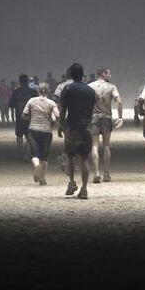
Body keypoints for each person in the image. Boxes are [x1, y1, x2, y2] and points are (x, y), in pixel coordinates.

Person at [58, 63, 96, 199]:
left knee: (69, 156)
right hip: (86, 126)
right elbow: (91, 110)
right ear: (82, 74)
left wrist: (60, 125)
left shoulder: (67, 89)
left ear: (71, 75)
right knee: (84, 159)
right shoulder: (90, 91)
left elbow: (63, 109)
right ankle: (84, 189)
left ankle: (72, 182)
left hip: (72, 126)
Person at [87, 66, 124, 183]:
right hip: (106, 118)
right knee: (107, 145)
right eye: (109, 74)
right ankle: (106, 174)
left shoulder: (89, 87)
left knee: (94, 146)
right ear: (103, 74)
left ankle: (96, 172)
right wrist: (120, 117)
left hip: (94, 118)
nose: (110, 76)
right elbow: (119, 101)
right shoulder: (111, 87)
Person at [22, 83, 59, 185]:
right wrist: (53, 122)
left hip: (33, 129)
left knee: (35, 153)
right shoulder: (51, 103)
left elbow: (24, 115)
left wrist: (30, 118)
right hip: (46, 131)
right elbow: (57, 115)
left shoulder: (31, 101)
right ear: (48, 91)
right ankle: (42, 178)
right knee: (45, 156)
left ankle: (36, 165)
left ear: (38, 90)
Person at [9, 74, 38, 161]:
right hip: (30, 118)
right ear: (27, 81)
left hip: (19, 118)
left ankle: (21, 152)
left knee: (19, 136)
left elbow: (11, 104)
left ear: (20, 81)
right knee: (29, 136)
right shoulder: (33, 92)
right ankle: (27, 154)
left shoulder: (16, 92)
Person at [53, 68, 75, 172]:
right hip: (79, 117)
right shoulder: (82, 86)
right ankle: (68, 161)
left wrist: (56, 116)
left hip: (65, 116)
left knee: (68, 139)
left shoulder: (61, 86)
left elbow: (55, 101)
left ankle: (65, 159)